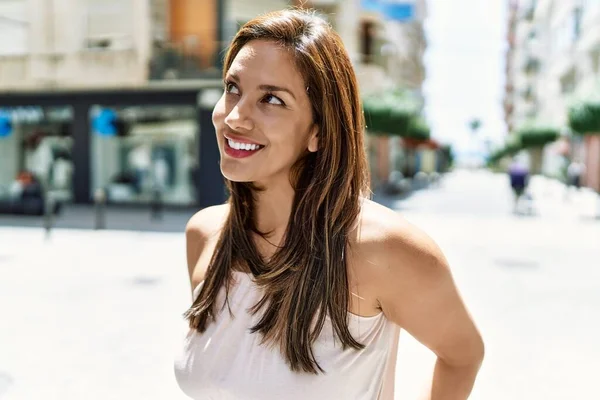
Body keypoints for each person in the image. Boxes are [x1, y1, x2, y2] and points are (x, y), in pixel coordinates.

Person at [174, 9, 484, 400]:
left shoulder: (383, 249)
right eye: (233, 87)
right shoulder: (205, 234)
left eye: (271, 99)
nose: (234, 116)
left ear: (319, 130)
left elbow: (463, 356)